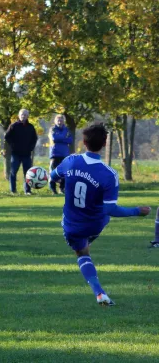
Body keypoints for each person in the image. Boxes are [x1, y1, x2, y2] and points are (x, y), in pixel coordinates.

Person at [49, 123, 150, 306]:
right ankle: (100, 293)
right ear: (105, 144)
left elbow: (53, 177)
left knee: (81, 253)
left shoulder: (71, 161)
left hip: (71, 225)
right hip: (95, 224)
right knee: (96, 226)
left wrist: (48, 182)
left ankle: (99, 291)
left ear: (83, 142)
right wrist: (137, 211)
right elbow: (111, 210)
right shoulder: (109, 174)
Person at [4, 109, 38, 195]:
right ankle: (13, 190)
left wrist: (31, 148)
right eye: (22, 114)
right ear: (19, 115)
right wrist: (12, 145)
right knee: (13, 172)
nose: (23, 116)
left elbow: (34, 139)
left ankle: (27, 190)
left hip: (26, 154)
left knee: (28, 173)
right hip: (16, 153)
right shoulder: (13, 126)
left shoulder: (31, 127)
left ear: (28, 116)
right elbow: (7, 136)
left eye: (25, 114)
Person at [48, 114, 72, 194]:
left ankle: (62, 188)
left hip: (64, 154)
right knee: (53, 172)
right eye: (58, 120)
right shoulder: (53, 129)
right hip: (54, 154)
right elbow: (54, 138)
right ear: (55, 121)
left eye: (61, 120)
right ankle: (53, 189)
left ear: (63, 121)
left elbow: (70, 140)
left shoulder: (67, 130)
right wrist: (64, 138)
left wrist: (61, 138)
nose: (60, 121)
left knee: (64, 172)